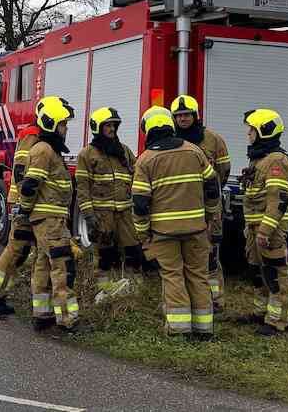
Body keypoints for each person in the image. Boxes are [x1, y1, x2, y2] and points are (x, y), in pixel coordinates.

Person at [131, 106, 220, 341]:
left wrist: (142, 233)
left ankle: (179, 330)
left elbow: (140, 203)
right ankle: (204, 329)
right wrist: (209, 217)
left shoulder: (145, 160)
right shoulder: (194, 151)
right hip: (197, 228)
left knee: (173, 276)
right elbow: (213, 187)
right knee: (198, 275)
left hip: (163, 232)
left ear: (148, 131)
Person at [20, 96, 80, 333]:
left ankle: (42, 314)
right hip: (51, 221)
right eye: (63, 124)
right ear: (51, 124)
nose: (65, 129)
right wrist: (24, 209)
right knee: (62, 267)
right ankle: (68, 319)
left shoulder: (46, 149)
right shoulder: (44, 150)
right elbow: (30, 185)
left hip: (48, 220)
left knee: (43, 265)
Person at [171, 95, 231, 311]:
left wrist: (211, 194)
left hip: (209, 209)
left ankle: (215, 300)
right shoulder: (172, 140)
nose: (183, 119)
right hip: (182, 208)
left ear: (196, 116)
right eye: (178, 116)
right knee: (186, 255)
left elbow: (223, 171)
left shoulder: (213, 139)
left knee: (211, 254)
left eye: (186, 115)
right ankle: (191, 297)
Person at [238, 108, 288, 336]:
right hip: (254, 228)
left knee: (275, 273)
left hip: (269, 231)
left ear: (264, 131)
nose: (248, 134)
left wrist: (265, 231)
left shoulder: (276, 161)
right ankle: (260, 312)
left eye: (251, 130)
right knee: (257, 272)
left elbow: (277, 201)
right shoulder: (260, 159)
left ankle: (278, 321)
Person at [75, 106, 140, 302]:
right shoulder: (87, 155)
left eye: (114, 125)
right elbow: (83, 188)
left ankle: (135, 291)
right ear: (98, 128)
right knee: (105, 257)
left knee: (133, 253)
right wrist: (89, 216)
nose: (112, 129)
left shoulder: (124, 152)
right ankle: (104, 294)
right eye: (108, 126)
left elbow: (137, 176)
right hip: (102, 215)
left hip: (125, 213)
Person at [0, 122, 44, 316]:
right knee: (16, 249)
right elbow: (20, 171)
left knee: (21, 251)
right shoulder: (32, 135)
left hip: (29, 204)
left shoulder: (36, 135)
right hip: (23, 204)